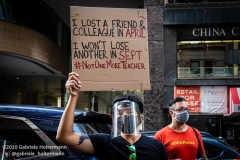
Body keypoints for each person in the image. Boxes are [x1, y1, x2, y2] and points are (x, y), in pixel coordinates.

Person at [56, 72, 168, 160]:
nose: (124, 115)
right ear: (114, 119)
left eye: (129, 111)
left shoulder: (156, 146)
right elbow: (64, 136)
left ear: (139, 118)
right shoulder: (104, 142)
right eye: (119, 113)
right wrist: (73, 97)